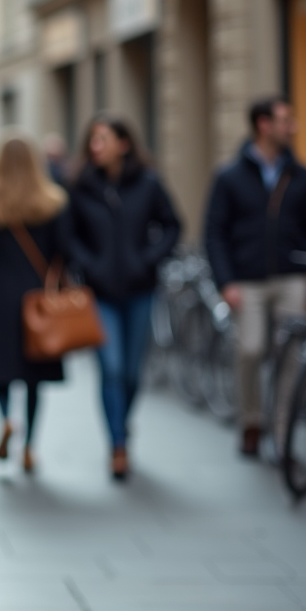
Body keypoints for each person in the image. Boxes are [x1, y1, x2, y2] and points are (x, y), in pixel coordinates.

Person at [204, 97, 306, 457]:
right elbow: (215, 233)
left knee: (291, 356)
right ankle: (251, 421)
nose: (293, 127)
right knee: (250, 350)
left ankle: (282, 427)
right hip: (249, 280)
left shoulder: (301, 175)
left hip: (292, 278)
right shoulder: (230, 176)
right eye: (285, 120)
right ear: (263, 124)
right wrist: (226, 281)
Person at [68, 115, 180, 480]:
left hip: (139, 290)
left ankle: (122, 420)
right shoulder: (81, 187)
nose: (95, 146)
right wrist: (88, 265)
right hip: (99, 293)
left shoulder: (147, 184)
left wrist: (148, 259)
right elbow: (69, 236)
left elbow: (173, 225)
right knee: (111, 369)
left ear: (123, 144)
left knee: (132, 373)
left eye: (103, 139)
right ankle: (117, 445)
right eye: (92, 140)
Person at [0, 134, 69, 472]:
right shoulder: (50, 204)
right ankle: (30, 446)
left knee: (1, 372)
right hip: (39, 301)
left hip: (1, 299)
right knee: (35, 377)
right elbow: (64, 251)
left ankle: (7, 419)